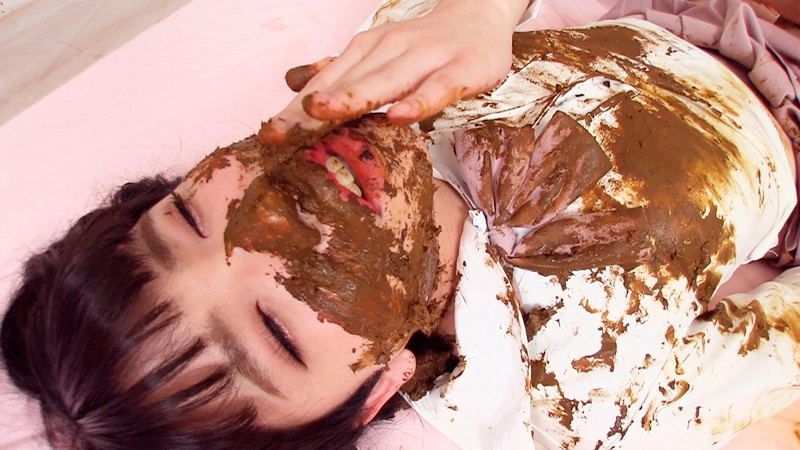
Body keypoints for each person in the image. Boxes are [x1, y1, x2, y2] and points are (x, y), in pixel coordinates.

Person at [1, 1, 799, 450]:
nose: (273, 213)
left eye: (187, 215)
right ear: (379, 387)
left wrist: (478, 13)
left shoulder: (371, 94)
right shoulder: (585, 383)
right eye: (276, 331)